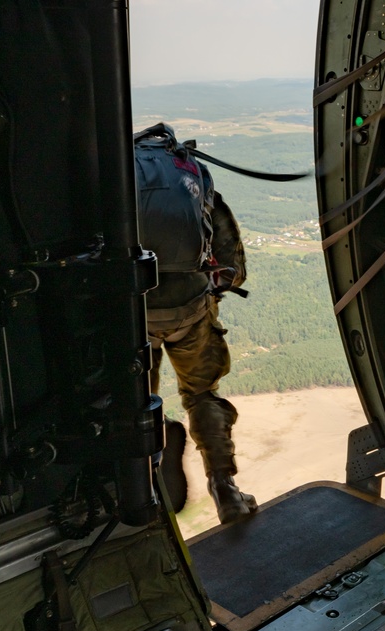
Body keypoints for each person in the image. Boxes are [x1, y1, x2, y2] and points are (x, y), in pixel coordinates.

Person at [134, 126, 257, 524]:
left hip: (134, 315)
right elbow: (232, 267)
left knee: (135, 404)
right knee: (202, 393)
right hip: (189, 309)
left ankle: (145, 490)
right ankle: (225, 489)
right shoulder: (195, 176)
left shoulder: (116, 181)